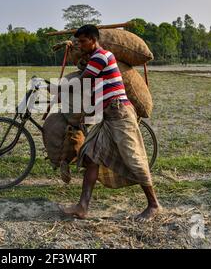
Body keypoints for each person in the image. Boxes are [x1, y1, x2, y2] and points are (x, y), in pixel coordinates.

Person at [59, 25, 162, 221]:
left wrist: (57, 89)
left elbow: (83, 81)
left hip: (119, 113)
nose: (80, 46)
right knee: (91, 156)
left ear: (92, 39)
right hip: (107, 115)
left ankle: (154, 204)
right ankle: (82, 206)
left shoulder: (101, 56)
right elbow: (94, 89)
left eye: (82, 42)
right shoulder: (95, 59)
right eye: (78, 42)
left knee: (133, 157)